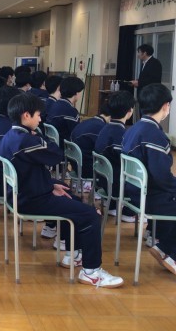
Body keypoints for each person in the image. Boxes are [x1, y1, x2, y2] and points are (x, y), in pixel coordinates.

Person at [0, 93, 124, 288]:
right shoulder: (26, 141)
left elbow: (29, 170)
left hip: (22, 194)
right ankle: (91, 272)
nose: (40, 120)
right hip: (31, 199)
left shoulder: (10, 136)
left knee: (70, 196)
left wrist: (50, 185)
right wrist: (40, 136)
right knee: (91, 215)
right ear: (26, 116)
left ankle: (72, 254)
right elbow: (57, 155)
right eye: (38, 115)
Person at [121, 83, 176, 275]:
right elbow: (161, 176)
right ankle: (172, 253)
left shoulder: (133, 129)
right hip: (148, 196)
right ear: (165, 105)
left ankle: (163, 247)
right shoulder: (154, 135)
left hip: (134, 192)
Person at [94, 91, 136, 224]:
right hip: (115, 185)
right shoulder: (119, 133)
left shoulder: (105, 128)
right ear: (130, 111)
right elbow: (125, 161)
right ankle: (129, 212)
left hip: (103, 181)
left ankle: (112, 206)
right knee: (143, 176)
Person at [69, 103, 111, 191]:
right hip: (86, 168)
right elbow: (103, 152)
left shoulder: (86, 122)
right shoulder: (101, 128)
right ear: (111, 116)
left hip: (75, 164)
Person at [46, 76, 84, 146]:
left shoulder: (55, 104)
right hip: (65, 146)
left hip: (53, 144)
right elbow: (76, 134)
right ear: (76, 93)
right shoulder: (71, 111)